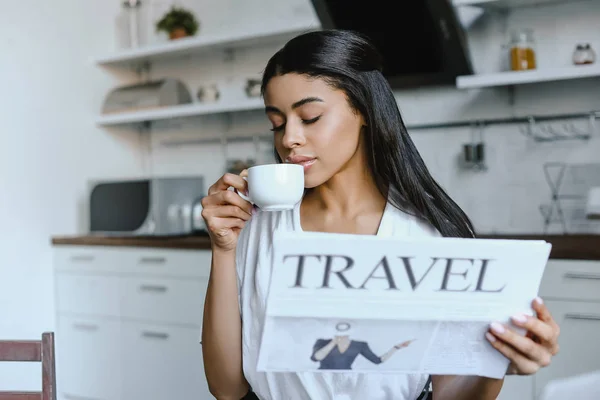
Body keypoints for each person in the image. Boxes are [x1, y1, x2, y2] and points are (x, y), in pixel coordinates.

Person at [200, 29, 560, 400]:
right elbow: (226, 388)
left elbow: (452, 394)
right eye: (277, 122)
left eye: (310, 117)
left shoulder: (427, 236)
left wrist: (497, 361)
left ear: (364, 111)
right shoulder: (256, 226)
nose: (288, 138)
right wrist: (223, 249)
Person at [311, 322, 414, 370]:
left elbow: (377, 360)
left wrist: (395, 348)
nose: (342, 336)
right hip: (322, 377)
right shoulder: (322, 342)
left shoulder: (359, 345)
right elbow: (316, 358)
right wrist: (333, 343)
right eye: (339, 333)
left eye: (344, 333)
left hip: (347, 378)